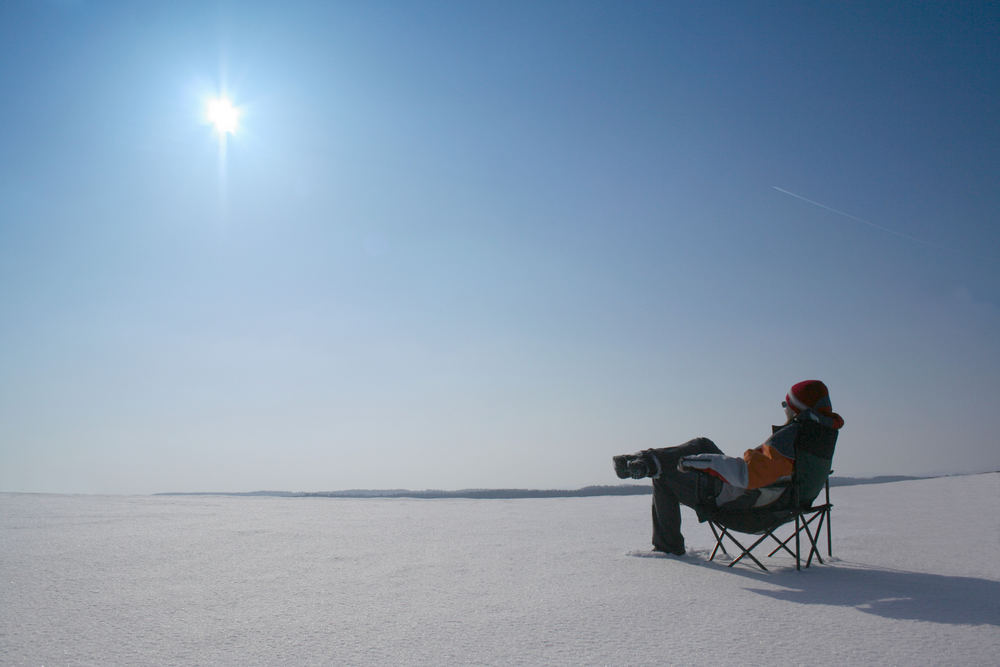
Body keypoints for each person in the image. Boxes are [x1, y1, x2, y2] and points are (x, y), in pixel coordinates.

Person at [613, 380, 845, 556]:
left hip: (749, 508)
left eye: (787, 404)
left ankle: (667, 547)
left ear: (797, 408)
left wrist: (695, 462)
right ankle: (646, 459)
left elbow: (746, 475)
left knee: (662, 475)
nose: (785, 409)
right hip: (784, 503)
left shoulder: (792, 437)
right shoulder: (820, 436)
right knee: (702, 443)